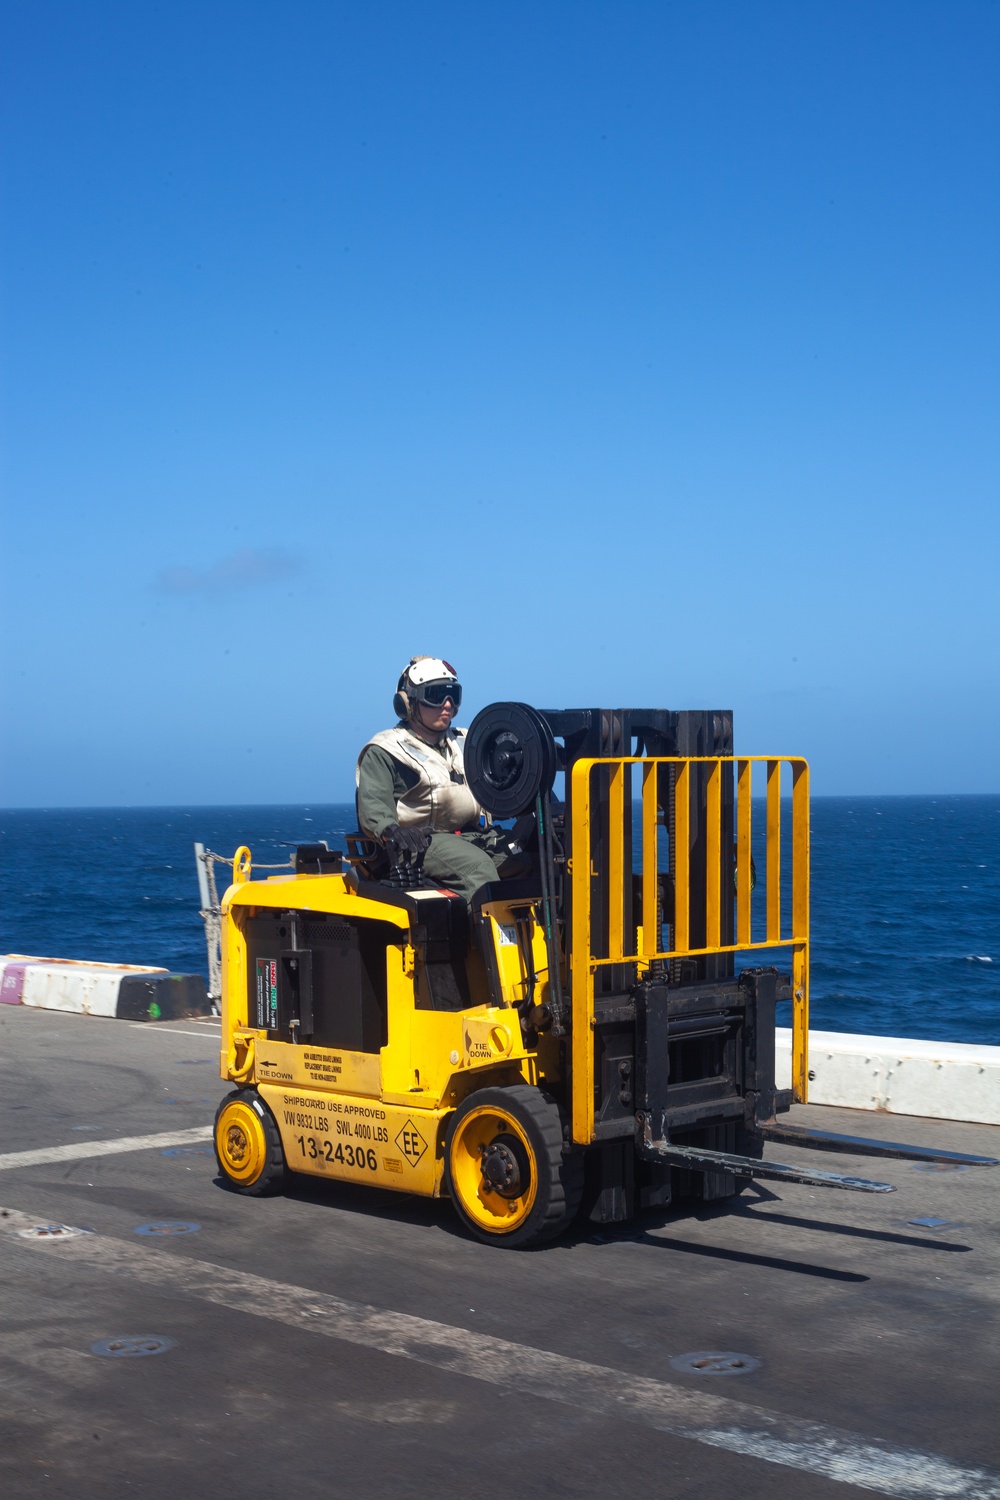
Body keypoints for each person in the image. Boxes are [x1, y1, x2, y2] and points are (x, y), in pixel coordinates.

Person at [356, 656, 504, 905]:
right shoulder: (385, 750)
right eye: (435, 696)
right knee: (478, 869)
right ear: (408, 703)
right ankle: (479, 943)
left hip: (474, 836)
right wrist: (392, 831)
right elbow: (374, 811)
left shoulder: (468, 743)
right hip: (419, 844)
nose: (447, 705)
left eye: (452, 696)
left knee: (532, 862)